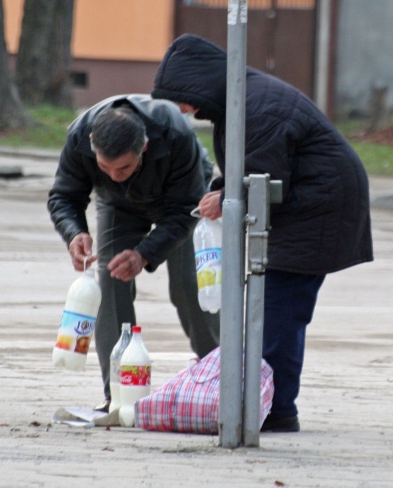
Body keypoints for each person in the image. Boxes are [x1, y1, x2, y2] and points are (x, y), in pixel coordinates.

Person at [152, 34, 374, 432]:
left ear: (197, 84)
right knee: (276, 311)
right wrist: (224, 188)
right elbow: (251, 165)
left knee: (277, 313)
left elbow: (265, 176)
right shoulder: (241, 100)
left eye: (180, 98)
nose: (182, 109)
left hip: (316, 210)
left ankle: (275, 410)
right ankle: (270, 403)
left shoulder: (257, 105)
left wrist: (227, 195)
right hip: (308, 204)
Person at [47, 94, 220, 411]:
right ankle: (118, 393)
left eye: (123, 167)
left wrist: (144, 254)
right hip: (118, 205)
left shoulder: (175, 133)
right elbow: (63, 195)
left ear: (143, 147)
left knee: (188, 285)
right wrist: (75, 233)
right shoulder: (79, 135)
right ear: (91, 145)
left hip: (182, 198)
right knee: (111, 282)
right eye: (104, 167)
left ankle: (219, 373)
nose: (114, 174)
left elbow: (184, 211)